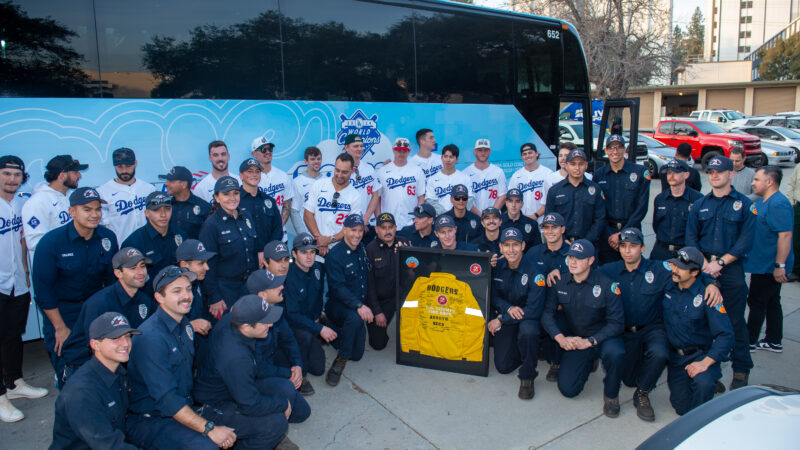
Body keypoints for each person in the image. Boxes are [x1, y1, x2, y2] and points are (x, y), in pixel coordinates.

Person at [599, 228, 722, 422]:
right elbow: (585, 274)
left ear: (643, 247)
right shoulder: (608, 270)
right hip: (622, 330)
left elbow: (692, 271)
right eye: (623, 246)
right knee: (626, 375)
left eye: (633, 246)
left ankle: (643, 393)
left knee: (661, 352)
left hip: (651, 328)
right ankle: (614, 392)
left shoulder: (659, 269)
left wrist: (712, 283)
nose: (627, 251)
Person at [126, 265, 236, 449]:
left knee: (253, 425)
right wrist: (209, 428)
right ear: (159, 297)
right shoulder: (151, 338)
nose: (186, 296)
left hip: (184, 406)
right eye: (177, 291)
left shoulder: (184, 325)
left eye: (188, 289)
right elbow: (167, 400)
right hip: (152, 419)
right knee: (206, 446)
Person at [192, 294, 301, 450]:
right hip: (215, 403)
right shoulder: (236, 357)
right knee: (276, 423)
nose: (270, 324)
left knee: (293, 400)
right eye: (264, 322)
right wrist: (282, 404)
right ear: (246, 327)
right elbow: (250, 405)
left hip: (234, 384)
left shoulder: (232, 319)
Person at [685, 155, 755, 390]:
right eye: (711, 172)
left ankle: (741, 370)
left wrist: (721, 263)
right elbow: (691, 238)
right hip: (704, 269)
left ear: (731, 174)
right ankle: (711, 372)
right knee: (705, 323)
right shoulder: (700, 205)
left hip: (731, 270)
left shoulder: (745, 205)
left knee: (735, 322)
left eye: (719, 172)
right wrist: (704, 264)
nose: (714, 176)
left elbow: (745, 241)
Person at [32, 187, 118, 378]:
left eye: (97, 209)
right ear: (72, 212)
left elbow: (112, 281)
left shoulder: (108, 238)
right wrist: (59, 327)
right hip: (63, 313)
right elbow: (43, 290)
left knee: (103, 367)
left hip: (95, 310)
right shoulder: (51, 243)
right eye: (87, 210)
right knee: (69, 369)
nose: (94, 215)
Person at [541, 240, 625, 418]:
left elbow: (617, 323)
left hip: (602, 337)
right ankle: (586, 362)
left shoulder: (606, 285)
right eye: (570, 257)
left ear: (591, 260)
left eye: (578, 258)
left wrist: (591, 341)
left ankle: (611, 395)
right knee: (568, 389)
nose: (572, 262)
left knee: (616, 353)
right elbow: (547, 314)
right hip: (578, 339)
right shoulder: (560, 282)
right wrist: (561, 338)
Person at [59, 247, 154, 386]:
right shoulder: (99, 303)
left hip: (119, 359)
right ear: (118, 273)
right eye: (133, 268)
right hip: (84, 366)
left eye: (142, 266)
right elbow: (93, 347)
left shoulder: (145, 300)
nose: (140, 272)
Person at [0, 155, 47, 423]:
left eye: (16, 175)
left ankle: (14, 383)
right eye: (6, 174)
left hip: (17, 280)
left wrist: (26, 272)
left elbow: (20, 242)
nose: (12, 180)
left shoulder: (21, 204)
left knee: (13, 335)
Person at [50, 312, 141, 449]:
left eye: (127, 336)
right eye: (115, 338)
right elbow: (108, 445)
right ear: (95, 345)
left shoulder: (118, 373)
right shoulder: (82, 393)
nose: (125, 343)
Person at [663, 247, 734, 415]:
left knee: (702, 389)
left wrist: (705, 363)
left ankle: (710, 378)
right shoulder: (669, 282)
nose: (675, 270)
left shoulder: (709, 297)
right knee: (681, 407)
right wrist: (712, 281)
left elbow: (726, 335)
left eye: (681, 268)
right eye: (674, 265)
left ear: (695, 273)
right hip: (676, 358)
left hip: (700, 354)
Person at [486, 227, 546, 400]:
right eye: (507, 245)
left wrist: (502, 319)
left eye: (515, 245)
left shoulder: (535, 273)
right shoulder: (498, 267)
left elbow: (534, 309)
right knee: (503, 367)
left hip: (529, 318)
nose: (511, 249)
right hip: (508, 314)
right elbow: (494, 295)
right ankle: (528, 350)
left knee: (528, 332)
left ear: (523, 246)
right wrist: (508, 308)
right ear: (501, 247)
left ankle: (527, 377)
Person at [199, 176, 261, 321]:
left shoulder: (246, 217)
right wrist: (214, 297)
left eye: (235, 193)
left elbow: (253, 250)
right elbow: (208, 264)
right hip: (226, 290)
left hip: (249, 287)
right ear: (217, 197)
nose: (232, 198)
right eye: (226, 194)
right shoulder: (211, 226)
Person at [745, 166, 794, 353]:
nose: (753, 182)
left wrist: (780, 265)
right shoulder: (765, 200)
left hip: (768, 266)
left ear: (770, 182)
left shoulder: (778, 203)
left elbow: (785, 235)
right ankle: (774, 340)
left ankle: (749, 342)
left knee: (757, 302)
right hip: (762, 263)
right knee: (772, 301)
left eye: (757, 179)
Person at [245, 270, 308, 403]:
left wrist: (297, 365)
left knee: (309, 365)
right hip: (256, 375)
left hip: (272, 358)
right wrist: (288, 373)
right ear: (262, 295)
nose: (282, 287)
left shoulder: (275, 308)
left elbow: (289, 339)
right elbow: (259, 368)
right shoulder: (251, 323)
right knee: (298, 408)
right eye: (275, 286)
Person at [324, 214, 372, 386]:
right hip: (338, 306)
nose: (357, 235)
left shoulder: (361, 249)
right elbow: (338, 288)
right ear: (344, 230)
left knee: (357, 355)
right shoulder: (335, 256)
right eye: (353, 230)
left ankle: (330, 330)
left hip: (355, 307)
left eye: (360, 231)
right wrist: (359, 306)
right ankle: (340, 361)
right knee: (354, 318)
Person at [284, 233, 332, 393]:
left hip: (311, 322)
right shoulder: (288, 276)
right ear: (294, 253)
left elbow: (318, 298)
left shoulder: (317, 269)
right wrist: (319, 329)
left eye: (312, 252)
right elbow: (291, 315)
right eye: (304, 252)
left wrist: (318, 321)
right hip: (293, 326)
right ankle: (299, 373)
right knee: (303, 337)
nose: (309, 256)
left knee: (319, 369)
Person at [524, 212, 570, 382]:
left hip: (562, 308)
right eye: (546, 228)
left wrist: (563, 274)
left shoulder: (572, 254)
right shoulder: (534, 252)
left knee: (562, 323)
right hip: (538, 305)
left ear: (563, 229)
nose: (550, 232)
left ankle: (556, 363)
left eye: (554, 228)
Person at [593, 135, 650, 264]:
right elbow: (598, 209)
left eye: (619, 147)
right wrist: (610, 235)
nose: (615, 151)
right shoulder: (599, 174)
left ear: (624, 150)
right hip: (607, 234)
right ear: (606, 151)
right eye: (611, 148)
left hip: (632, 230)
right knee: (607, 274)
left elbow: (642, 207)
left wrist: (621, 234)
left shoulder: (640, 172)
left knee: (632, 273)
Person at [22, 155, 87, 262]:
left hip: (71, 266)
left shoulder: (71, 197)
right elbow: (35, 243)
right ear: (62, 176)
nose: (80, 175)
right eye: (75, 173)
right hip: (52, 267)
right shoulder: (37, 202)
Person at [122, 192, 188, 295]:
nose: (163, 214)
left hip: (177, 297)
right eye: (156, 210)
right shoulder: (134, 242)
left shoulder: (181, 236)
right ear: (147, 213)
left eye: (167, 209)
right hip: (149, 300)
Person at [304, 153, 364, 257]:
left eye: (344, 172)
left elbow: (352, 227)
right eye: (337, 170)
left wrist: (329, 240)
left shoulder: (355, 196)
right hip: (317, 247)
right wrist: (320, 240)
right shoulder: (319, 185)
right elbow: (307, 214)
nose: (339, 175)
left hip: (340, 249)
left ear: (352, 171)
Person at [365, 213, 409, 351]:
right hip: (382, 300)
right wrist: (377, 312)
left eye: (391, 227)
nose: (388, 231)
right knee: (378, 345)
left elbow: (415, 272)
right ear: (377, 229)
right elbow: (369, 286)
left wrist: (405, 253)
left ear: (396, 228)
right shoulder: (370, 250)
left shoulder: (404, 243)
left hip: (402, 296)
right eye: (383, 228)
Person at [545, 149, 606, 246]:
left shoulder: (596, 190)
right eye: (573, 164)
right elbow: (549, 219)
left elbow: (600, 218)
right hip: (562, 244)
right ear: (566, 165)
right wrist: (563, 240)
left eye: (581, 164)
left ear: (586, 166)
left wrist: (586, 241)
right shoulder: (554, 191)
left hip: (589, 244)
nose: (577, 168)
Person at [96, 147, 156, 243]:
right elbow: (102, 227)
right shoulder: (102, 192)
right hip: (120, 248)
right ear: (114, 166)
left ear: (135, 163)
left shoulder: (149, 189)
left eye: (128, 166)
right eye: (120, 167)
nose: (124, 171)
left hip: (148, 246)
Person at [651, 159, 703, 261]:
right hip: (661, 251)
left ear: (686, 175)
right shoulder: (660, 199)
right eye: (669, 173)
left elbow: (700, 229)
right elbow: (656, 225)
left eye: (676, 173)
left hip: (685, 253)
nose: (671, 176)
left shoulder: (697, 199)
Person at [373, 138, 425, 230]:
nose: (401, 153)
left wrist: (417, 218)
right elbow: (376, 198)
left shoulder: (417, 171)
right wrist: (379, 219)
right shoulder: (382, 171)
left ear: (409, 152)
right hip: (388, 223)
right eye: (399, 150)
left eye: (404, 151)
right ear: (393, 150)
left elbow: (421, 198)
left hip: (410, 222)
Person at [238, 158, 283, 259]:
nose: (254, 175)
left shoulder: (269, 201)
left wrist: (267, 252)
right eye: (250, 171)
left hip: (268, 257)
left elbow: (277, 229)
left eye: (257, 171)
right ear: (241, 176)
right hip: (243, 257)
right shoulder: (235, 201)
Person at [250, 137, 294, 235]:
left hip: (280, 234)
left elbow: (287, 205)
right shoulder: (249, 179)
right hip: (258, 235)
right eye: (263, 149)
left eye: (270, 149)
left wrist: (278, 228)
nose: (268, 152)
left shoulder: (283, 176)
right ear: (254, 154)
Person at [175, 239, 215, 345]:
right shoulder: (172, 291)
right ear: (184, 265)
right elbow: (165, 329)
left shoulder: (196, 283)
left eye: (206, 262)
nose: (207, 268)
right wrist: (191, 326)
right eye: (201, 263)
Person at [160, 166, 211, 240]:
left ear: (184, 184)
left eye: (171, 181)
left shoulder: (204, 208)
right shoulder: (164, 208)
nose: (166, 183)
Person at [508, 143, 552, 222]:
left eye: (530, 153)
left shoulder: (547, 174)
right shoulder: (516, 176)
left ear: (536, 153)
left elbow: (550, 200)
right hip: (520, 219)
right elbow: (510, 200)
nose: (527, 156)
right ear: (522, 157)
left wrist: (535, 215)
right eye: (524, 154)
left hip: (542, 220)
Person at [342, 134, 380, 224]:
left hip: (369, 222)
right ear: (346, 148)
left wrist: (366, 217)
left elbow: (375, 195)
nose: (359, 149)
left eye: (361, 146)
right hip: (349, 224)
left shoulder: (369, 168)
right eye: (355, 146)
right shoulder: (339, 171)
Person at [424, 144, 472, 215]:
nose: (448, 160)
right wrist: (447, 214)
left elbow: (470, 199)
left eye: (451, 157)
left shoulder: (465, 178)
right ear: (441, 158)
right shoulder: (432, 179)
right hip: (440, 219)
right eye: (445, 156)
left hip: (460, 217)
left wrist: (457, 213)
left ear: (457, 159)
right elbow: (430, 201)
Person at [463, 138, 507, 213]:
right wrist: (480, 215)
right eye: (480, 150)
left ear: (489, 151)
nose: (483, 153)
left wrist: (490, 214)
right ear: (475, 151)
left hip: (494, 217)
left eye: (485, 150)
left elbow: (502, 196)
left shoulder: (498, 172)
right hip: (473, 216)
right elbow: (464, 199)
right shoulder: (465, 173)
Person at [291, 146, 323, 235]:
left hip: (325, 234)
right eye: (312, 159)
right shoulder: (297, 182)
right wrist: (303, 234)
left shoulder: (327, 180)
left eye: (318, 159)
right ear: (306, 161)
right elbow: (294, 211)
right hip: (308, 233)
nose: (316, 161)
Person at [500, 188, 541, 253]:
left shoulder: (532, 224)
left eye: (517, 201)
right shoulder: (498, 222)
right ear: (506, 203)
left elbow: (537, 249)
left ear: (522, 204)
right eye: (510, 201)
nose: (513, 205)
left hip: (525, 261)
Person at [788, 164, 800, 281]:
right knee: (796, 239)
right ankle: (796, 270)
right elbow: (791, 184)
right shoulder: (799, 167)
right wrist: (791, 201)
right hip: (798, 206)